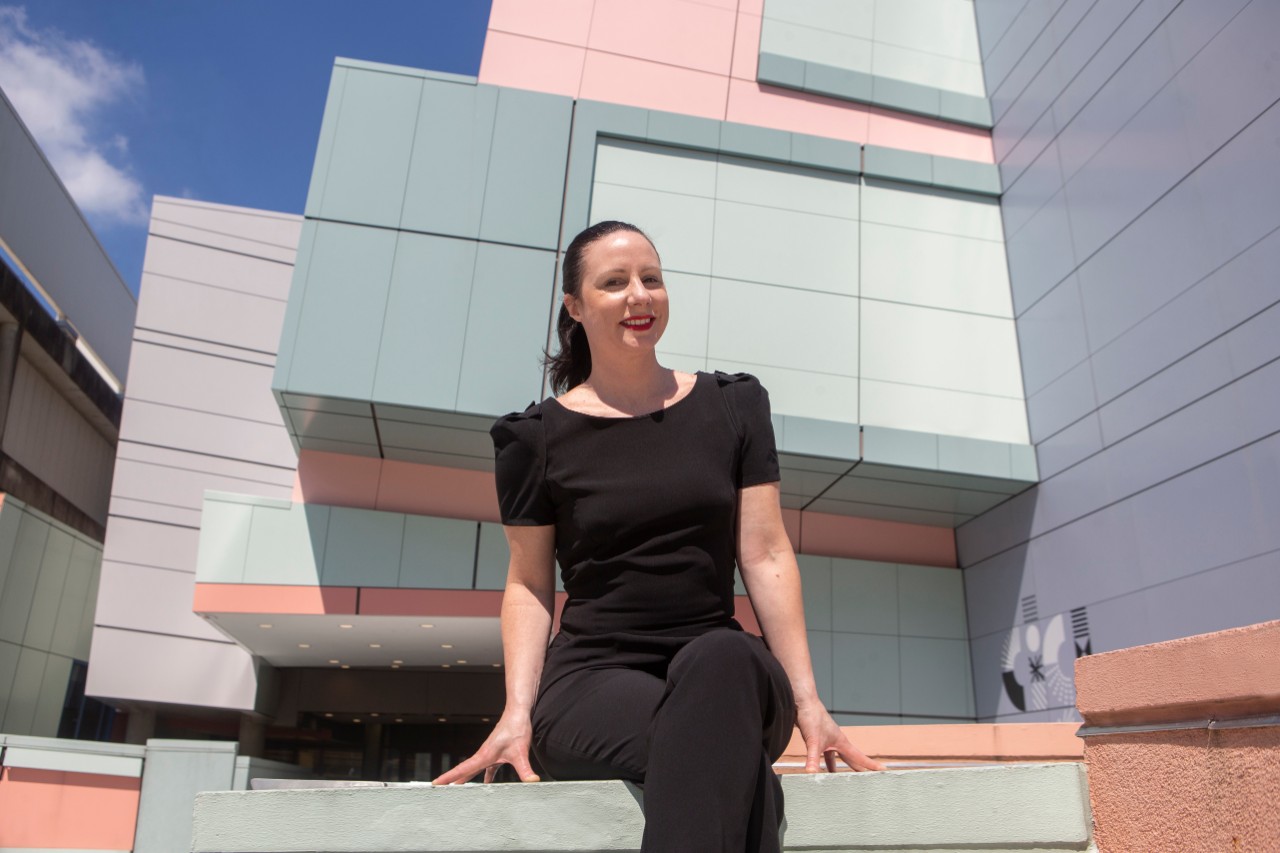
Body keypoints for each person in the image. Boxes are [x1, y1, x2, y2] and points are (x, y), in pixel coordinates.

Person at [433, 220, 884, 851]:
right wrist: (516, 710)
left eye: (652, 279)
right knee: (723, 757)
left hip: (727, 669)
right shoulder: (532, 439)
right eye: (614, 283)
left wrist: (808, 701)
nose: (639, 295)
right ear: (574, 306)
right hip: (591, 680)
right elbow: (529, 584)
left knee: (719, 663)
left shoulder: (733, 406)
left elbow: (765, 551)